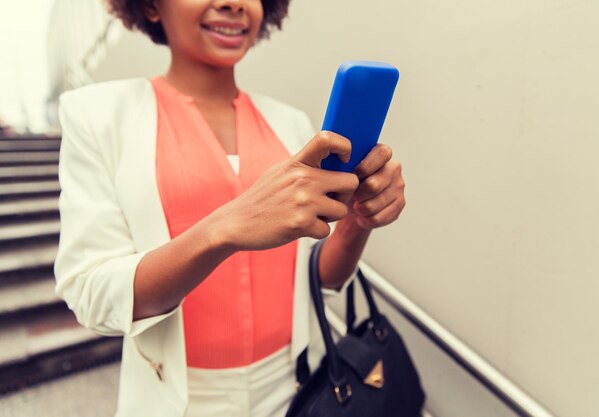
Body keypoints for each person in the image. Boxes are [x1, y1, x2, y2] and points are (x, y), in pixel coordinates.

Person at [53, 0, 406, 416]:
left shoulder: (289, 123)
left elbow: (320, 280)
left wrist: (358, 222)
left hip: (292, 390)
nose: (232, 3)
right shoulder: (97, 116)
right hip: (179, 399)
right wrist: (225, 228)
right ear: (150, 7)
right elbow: (91, 294)